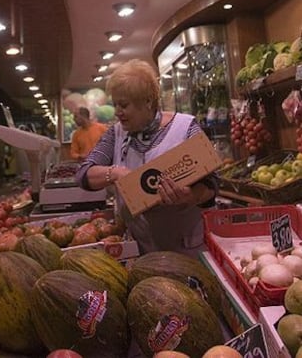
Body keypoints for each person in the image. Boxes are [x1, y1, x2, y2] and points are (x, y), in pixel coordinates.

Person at [75, 59, 217, 257]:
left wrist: (190, 197)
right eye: (115, 104)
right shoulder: (115, 134)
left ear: (148, 101)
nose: (117, 112)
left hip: (186, 250)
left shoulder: (185, 128)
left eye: (123, 105)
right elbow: (83, 175)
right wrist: (115, 173)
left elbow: (212, 184)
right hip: (139, 251)